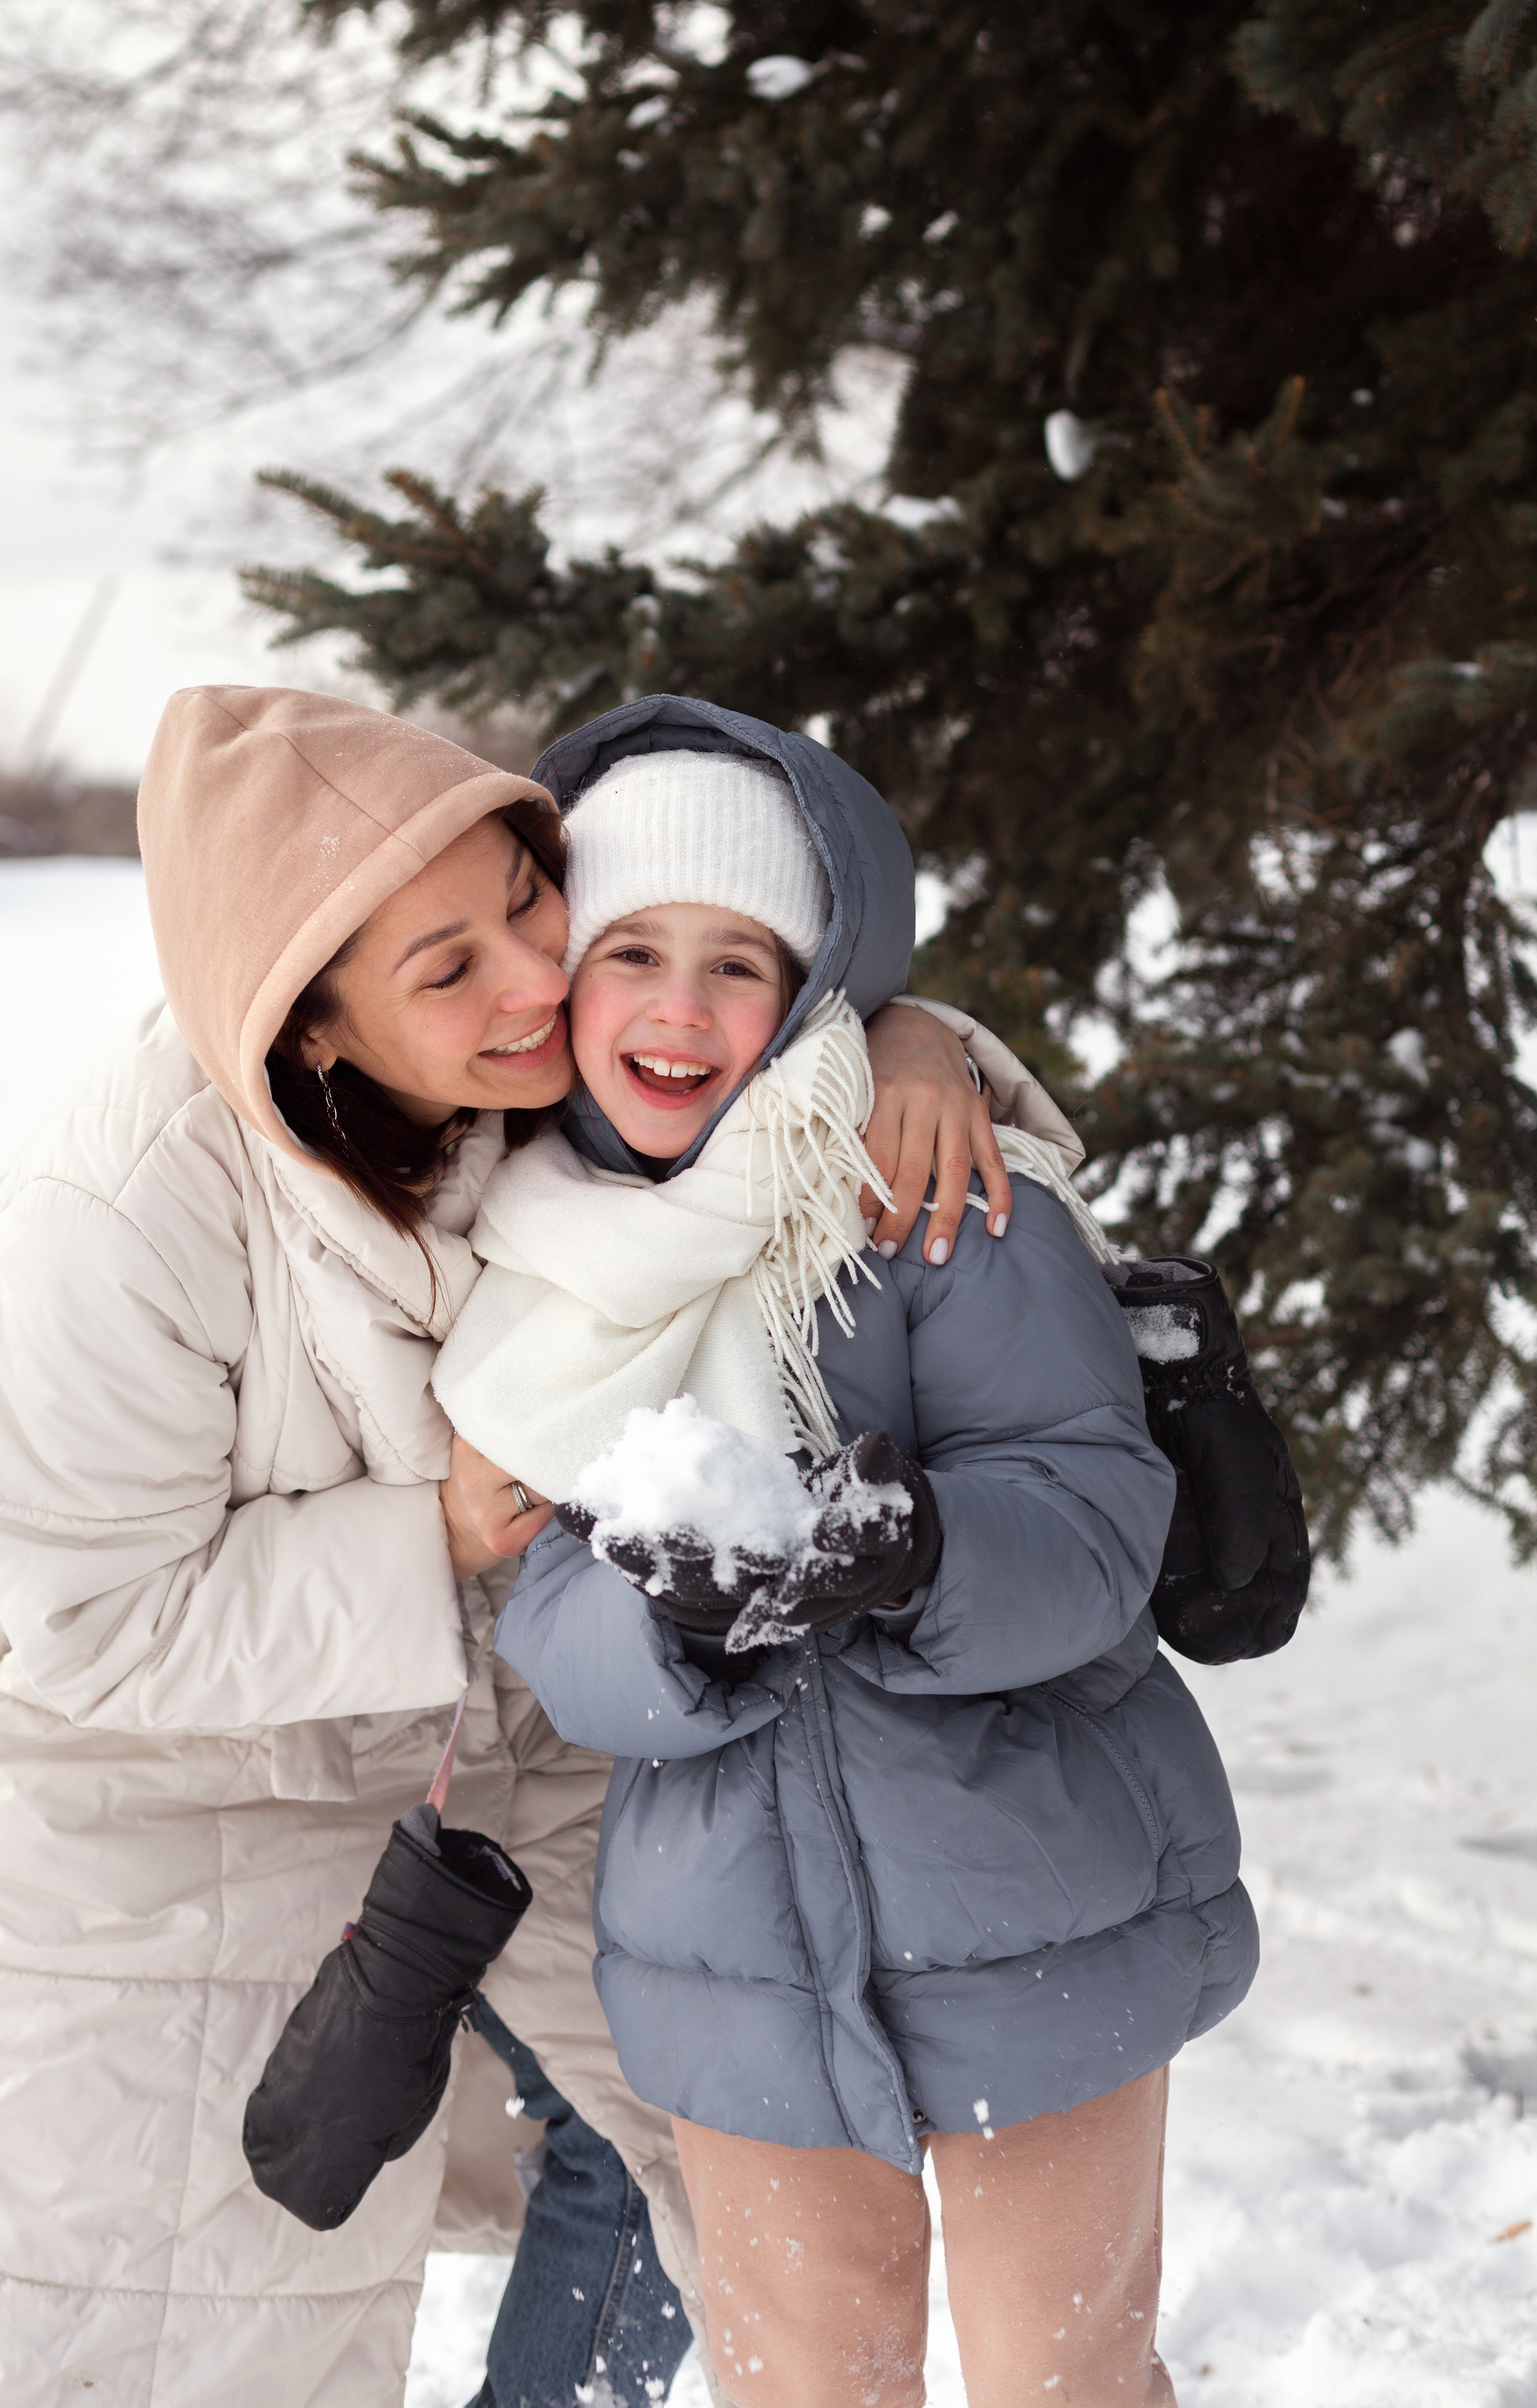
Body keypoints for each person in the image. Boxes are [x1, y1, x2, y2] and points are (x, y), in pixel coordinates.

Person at [0, 682, 1015, 2408]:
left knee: (753, 2153)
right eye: (445, 965)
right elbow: (97, 1623)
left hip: (494, 1747)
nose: (541, 980)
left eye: (527, 904)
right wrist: (434, 1536)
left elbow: (747, 1051)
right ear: (306, 1029)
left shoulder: (515, 1080)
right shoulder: (111, 1219)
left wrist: (905, 1041)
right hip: (148, 1814)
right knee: (165, 2310)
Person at [435, 697, 1259, 2408]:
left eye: (739, 964)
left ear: (815, 990)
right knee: (805, 2386)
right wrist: (677, 1633)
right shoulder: (552, 1266)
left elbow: (1095, 1513)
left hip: (1034, 1908)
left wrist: (916, 1552)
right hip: (732, 1950)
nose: (677, 1008)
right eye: (630, 952)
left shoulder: (932, 1191)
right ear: (562, 980)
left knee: (1067, 2376)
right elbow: (548, 1602)